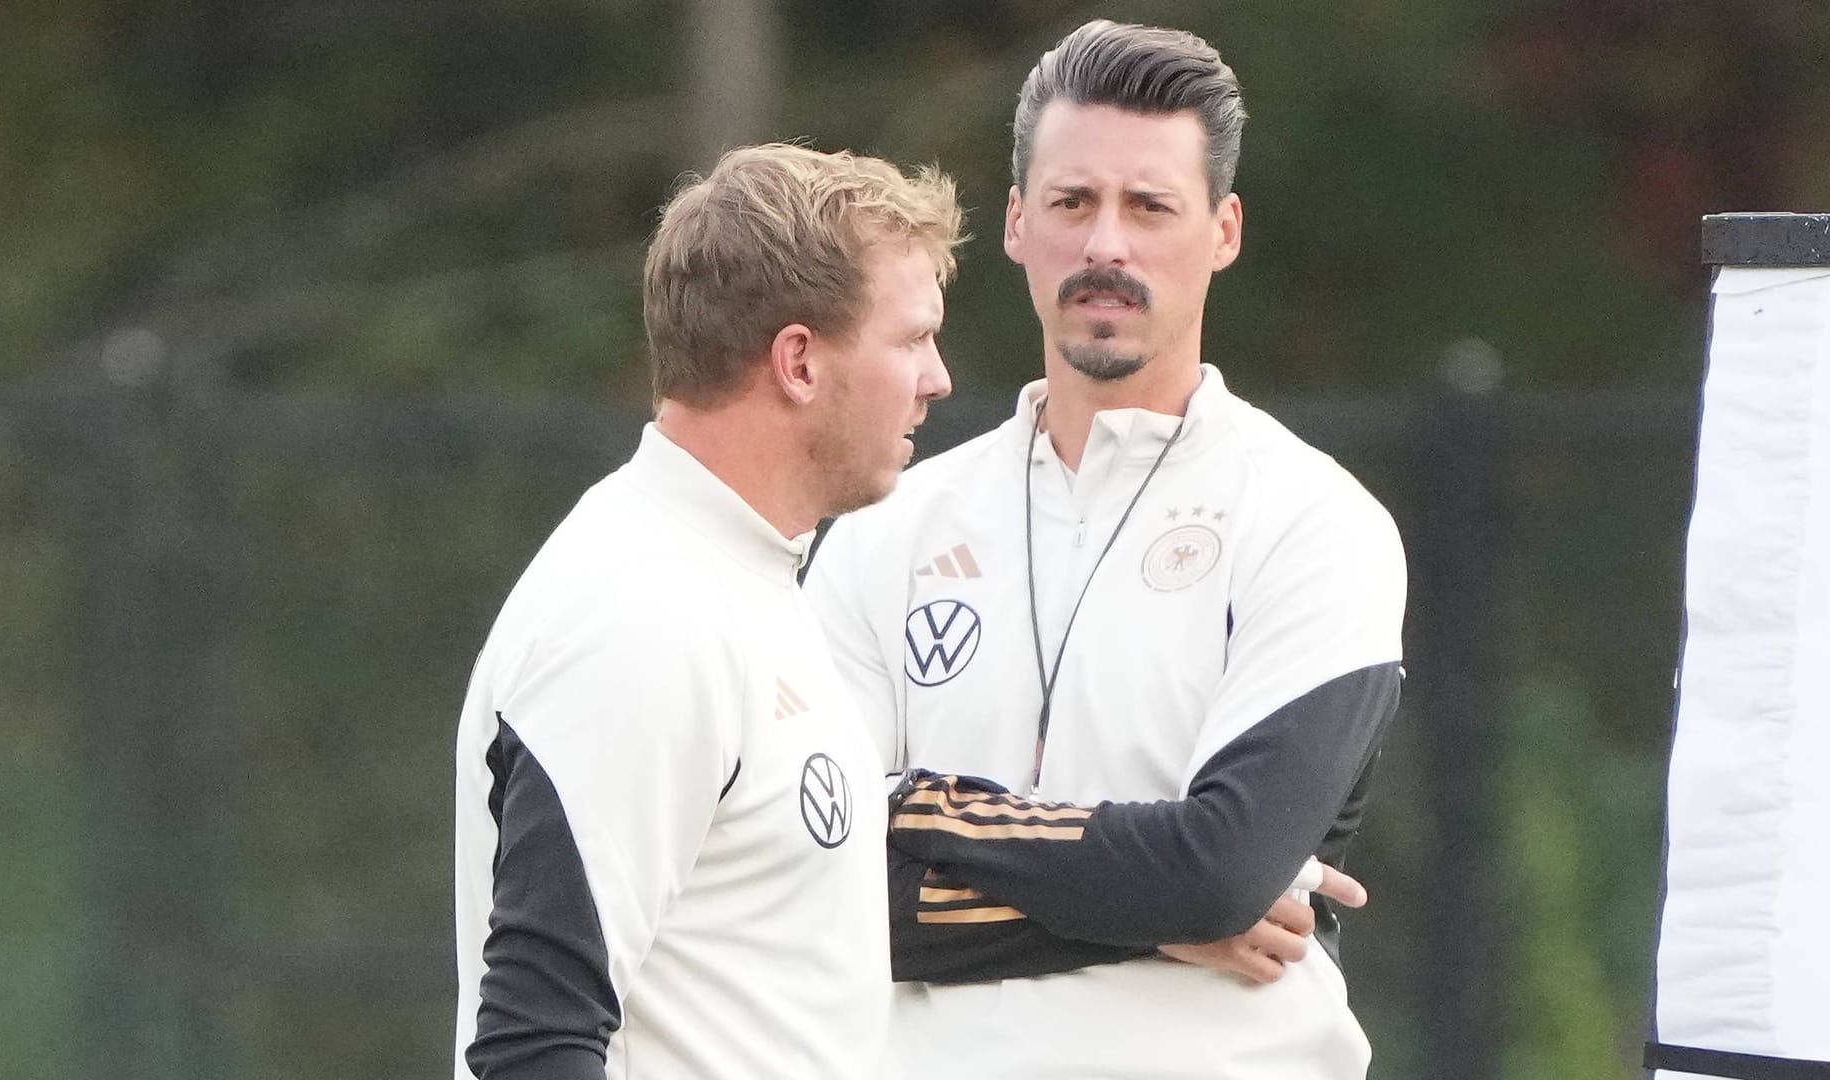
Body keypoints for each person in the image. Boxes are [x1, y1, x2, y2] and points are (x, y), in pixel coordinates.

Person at [803, 20, 1406, 1079]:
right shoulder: (886, 527)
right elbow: (809, 889)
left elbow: (1223, 871)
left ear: (1223, 230)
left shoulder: (1315, 520)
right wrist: (1154, 910)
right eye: (1073, 203)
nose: (1106, 247)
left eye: (1150, 207)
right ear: (1017, 223)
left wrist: (918, 809)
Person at [452, 143, 963, 1080]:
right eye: (912, 338)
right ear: (799, 362)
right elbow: (532, 1044)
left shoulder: (740, 577)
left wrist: (1175, 913)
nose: (938, 377)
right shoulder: (636, 614)